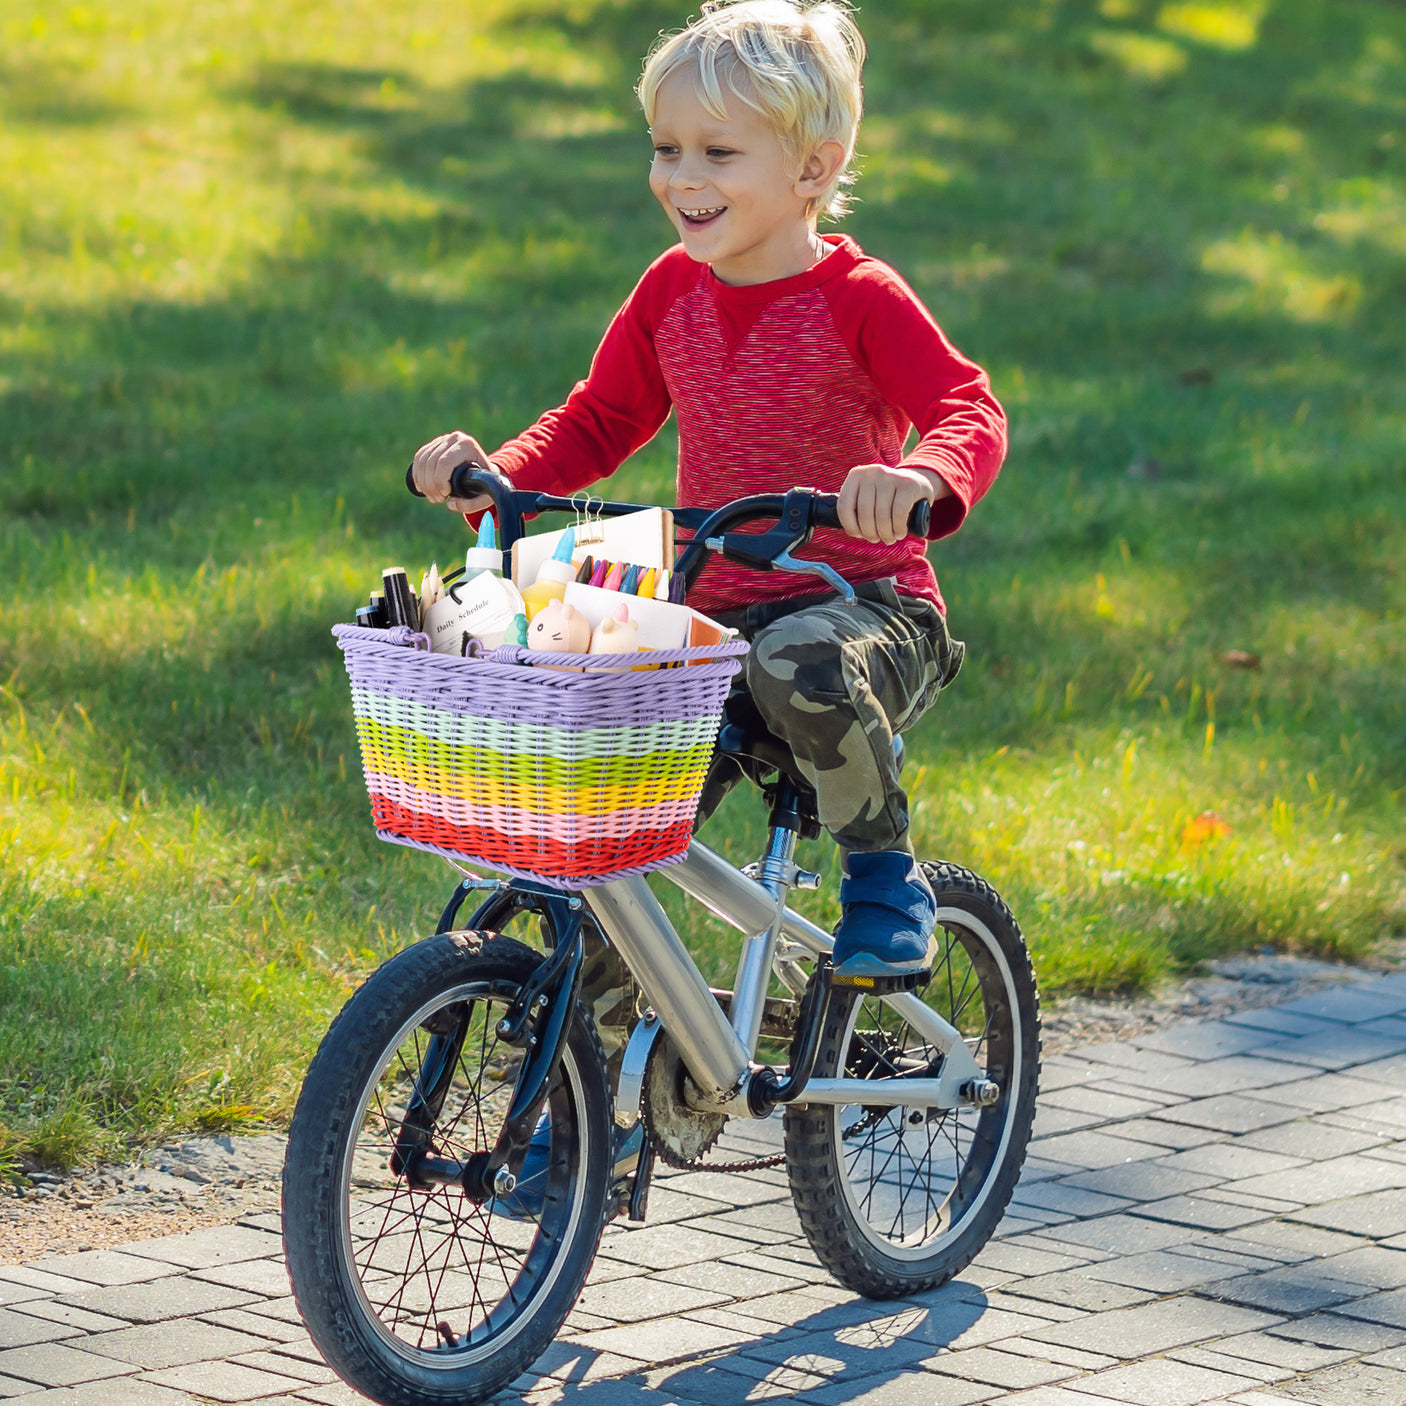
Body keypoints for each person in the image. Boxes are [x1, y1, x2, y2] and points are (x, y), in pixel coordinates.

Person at [412, 0, 1004, 1108]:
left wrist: (919, 479)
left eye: (717, 152)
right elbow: (596, 420)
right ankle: (582, 1099)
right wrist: (497, 470)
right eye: (666, 146)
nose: (682, 174)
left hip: (863, 609)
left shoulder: (858, 300)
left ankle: (882, 876)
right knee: (586, 824)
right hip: (712, 619)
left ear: (812, 169)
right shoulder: (668, 291)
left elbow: (966, 407)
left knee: (799, 665)